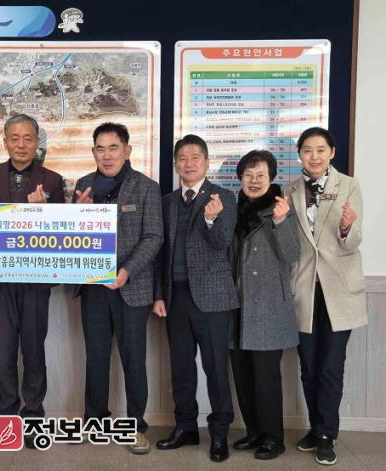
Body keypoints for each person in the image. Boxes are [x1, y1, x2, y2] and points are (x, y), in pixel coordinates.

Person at [0, 114, 65, 449]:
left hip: (35, 280)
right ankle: (7, 420)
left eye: (28, 138)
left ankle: (34, 416)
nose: (21, 144)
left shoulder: (53, 180)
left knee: (34, 351)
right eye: (15, 138)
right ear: (5, 141)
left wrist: (45, 211)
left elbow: (62, 232)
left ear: (37, 142)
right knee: (3, 353)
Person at [74, 122, 163, 454]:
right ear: (93, 152)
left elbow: (154, 237)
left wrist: (126, 271)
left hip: (131, 288)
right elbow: (72, 236)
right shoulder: (83, 185)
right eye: (100, 148)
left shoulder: (146, 187)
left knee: (133, 360)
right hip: (94, 289)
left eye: (113, 148)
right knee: (95, 359)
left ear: (127, 151)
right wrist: (78, 215)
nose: (107, 155)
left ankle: (135, 426)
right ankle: (94, 420)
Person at [153, 134, 238, 462]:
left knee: (216, 369)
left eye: (195, 157)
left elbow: (222, 243)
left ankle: (219, 433)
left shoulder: (223, 197)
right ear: (175, 164)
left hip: (213, 299)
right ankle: (186, 427)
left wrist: (210, 218)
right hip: (175, 297)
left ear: (206, 162)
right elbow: (161, 252)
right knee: (181, 368)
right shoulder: (168, 201)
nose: (188, 163)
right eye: (182, 158)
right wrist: (159, 294)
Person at [286, 127, 367, 466]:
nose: (314, 156)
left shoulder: (348, 184)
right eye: (308, 150)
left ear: (332, 152)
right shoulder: (291, 190)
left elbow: (354, 240)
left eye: (321, 149)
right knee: (309, 367)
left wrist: (347, 226)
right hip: (304, 289)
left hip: (339, 291)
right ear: (300, 155)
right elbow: (291, 244)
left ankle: (326, 435)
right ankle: (315, 427)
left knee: (330, 367)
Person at [228, 150, 300, 460]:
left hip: (268, 306)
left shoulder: (281, 209)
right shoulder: (233, 210)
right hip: (238, 306)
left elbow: (292, 254)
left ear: (271, 179)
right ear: (240, 179)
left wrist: (281, 221)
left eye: (261, 176)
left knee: (266, 376)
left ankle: (273, 438)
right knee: (242, 374)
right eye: (249, 175)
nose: (254, 181)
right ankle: (254, 432)